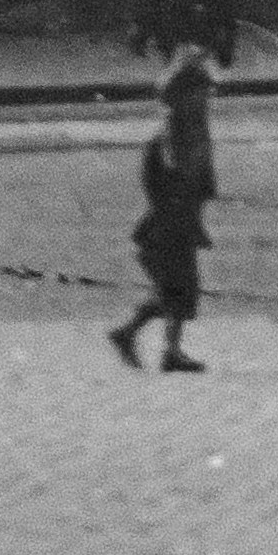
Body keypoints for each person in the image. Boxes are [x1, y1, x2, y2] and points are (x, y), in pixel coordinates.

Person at [107, 53, 219, 371]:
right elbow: (176, 182)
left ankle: (134, 336)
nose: (206, 99)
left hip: (174, 225)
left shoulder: (188, 131)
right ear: (183, 96)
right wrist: (187, 220)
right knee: (179, 290)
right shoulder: (175, 135)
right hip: (168, 228)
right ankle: (162, 348)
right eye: (201, 92)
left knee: (176, 291)